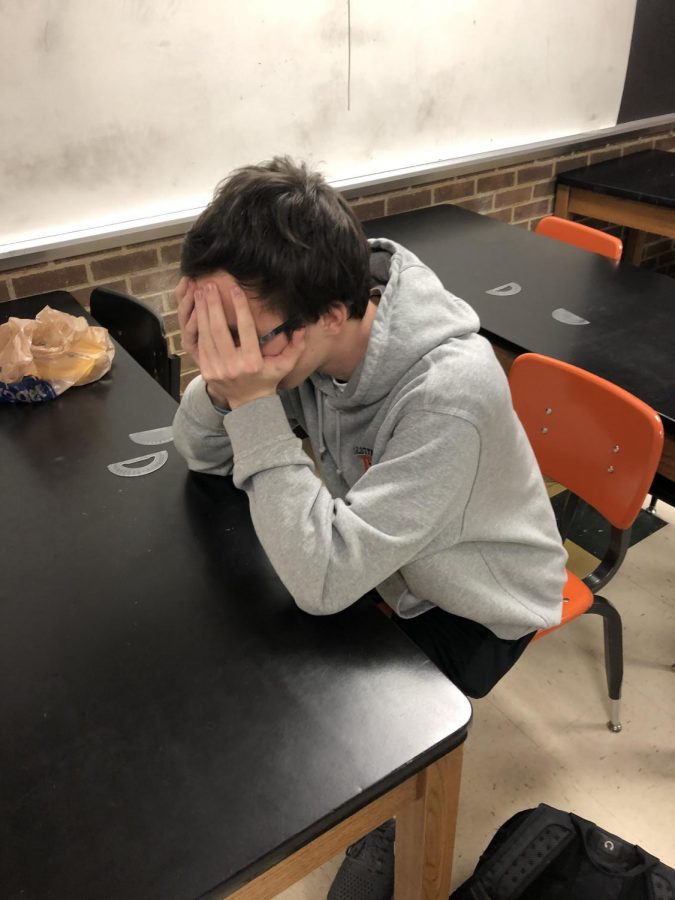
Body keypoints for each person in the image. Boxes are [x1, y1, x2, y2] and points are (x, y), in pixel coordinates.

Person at [172, 156, 567, 900]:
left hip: (475, 605)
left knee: (327, 717)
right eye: (216, 332)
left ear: (331, 314)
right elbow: (196, 450)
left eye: (247, 336)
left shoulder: (449, 391)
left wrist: (252, 403)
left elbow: (323, 582)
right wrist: (219, 375)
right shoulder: (303, 331)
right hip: (386, 561)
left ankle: (393, 812)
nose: (237, 358)